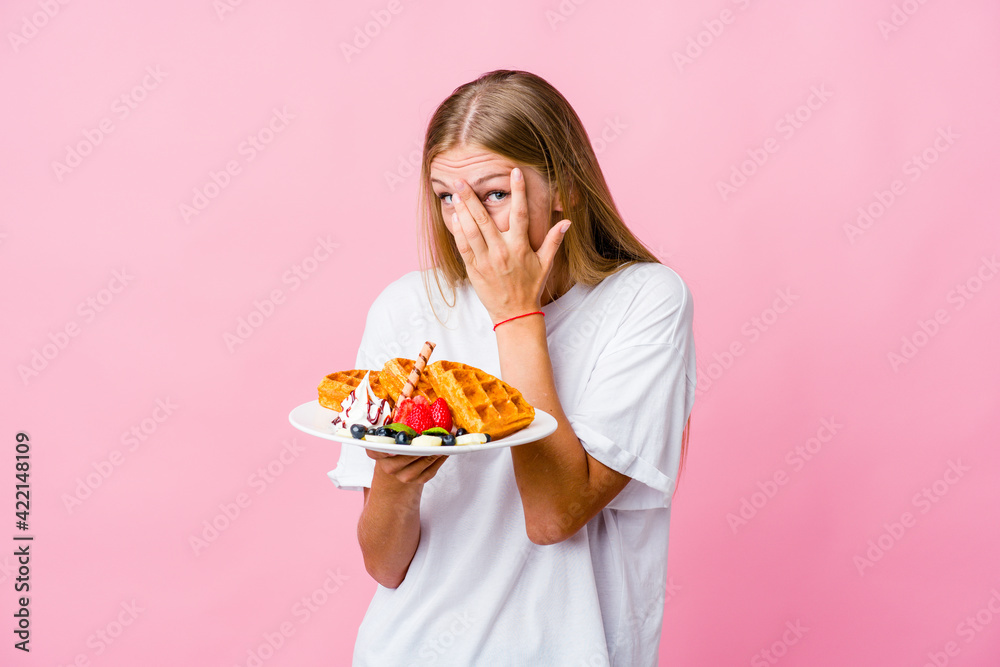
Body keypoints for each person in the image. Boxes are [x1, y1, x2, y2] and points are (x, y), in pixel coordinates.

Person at [327, 69, 696, 666]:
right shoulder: (407, 307)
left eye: (494, 194)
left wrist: (515, 314)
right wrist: (395, 481)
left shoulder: (646, 301)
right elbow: (385, 565)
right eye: (447, 197)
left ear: (565, 187)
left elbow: (554, 516)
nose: (466, 222)